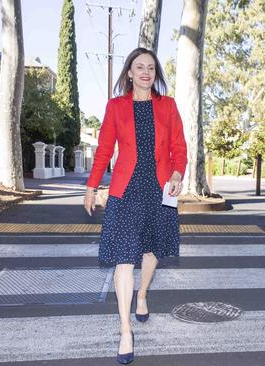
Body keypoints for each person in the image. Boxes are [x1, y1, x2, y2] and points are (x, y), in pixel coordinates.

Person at [83, 47, 187, 365]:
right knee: (124, 259)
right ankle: (126, 330)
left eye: (151, 68)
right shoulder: (116, 107)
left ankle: (142, 294)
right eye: (139, 67)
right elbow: (103, 149)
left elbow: (179, 146)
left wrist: (177, 172)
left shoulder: (167, 106)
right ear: (129, 72)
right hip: (125, 190)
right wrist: (91, 187)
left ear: (155, 74)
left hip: (159, 188)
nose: (145, 72)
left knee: (152, 251)